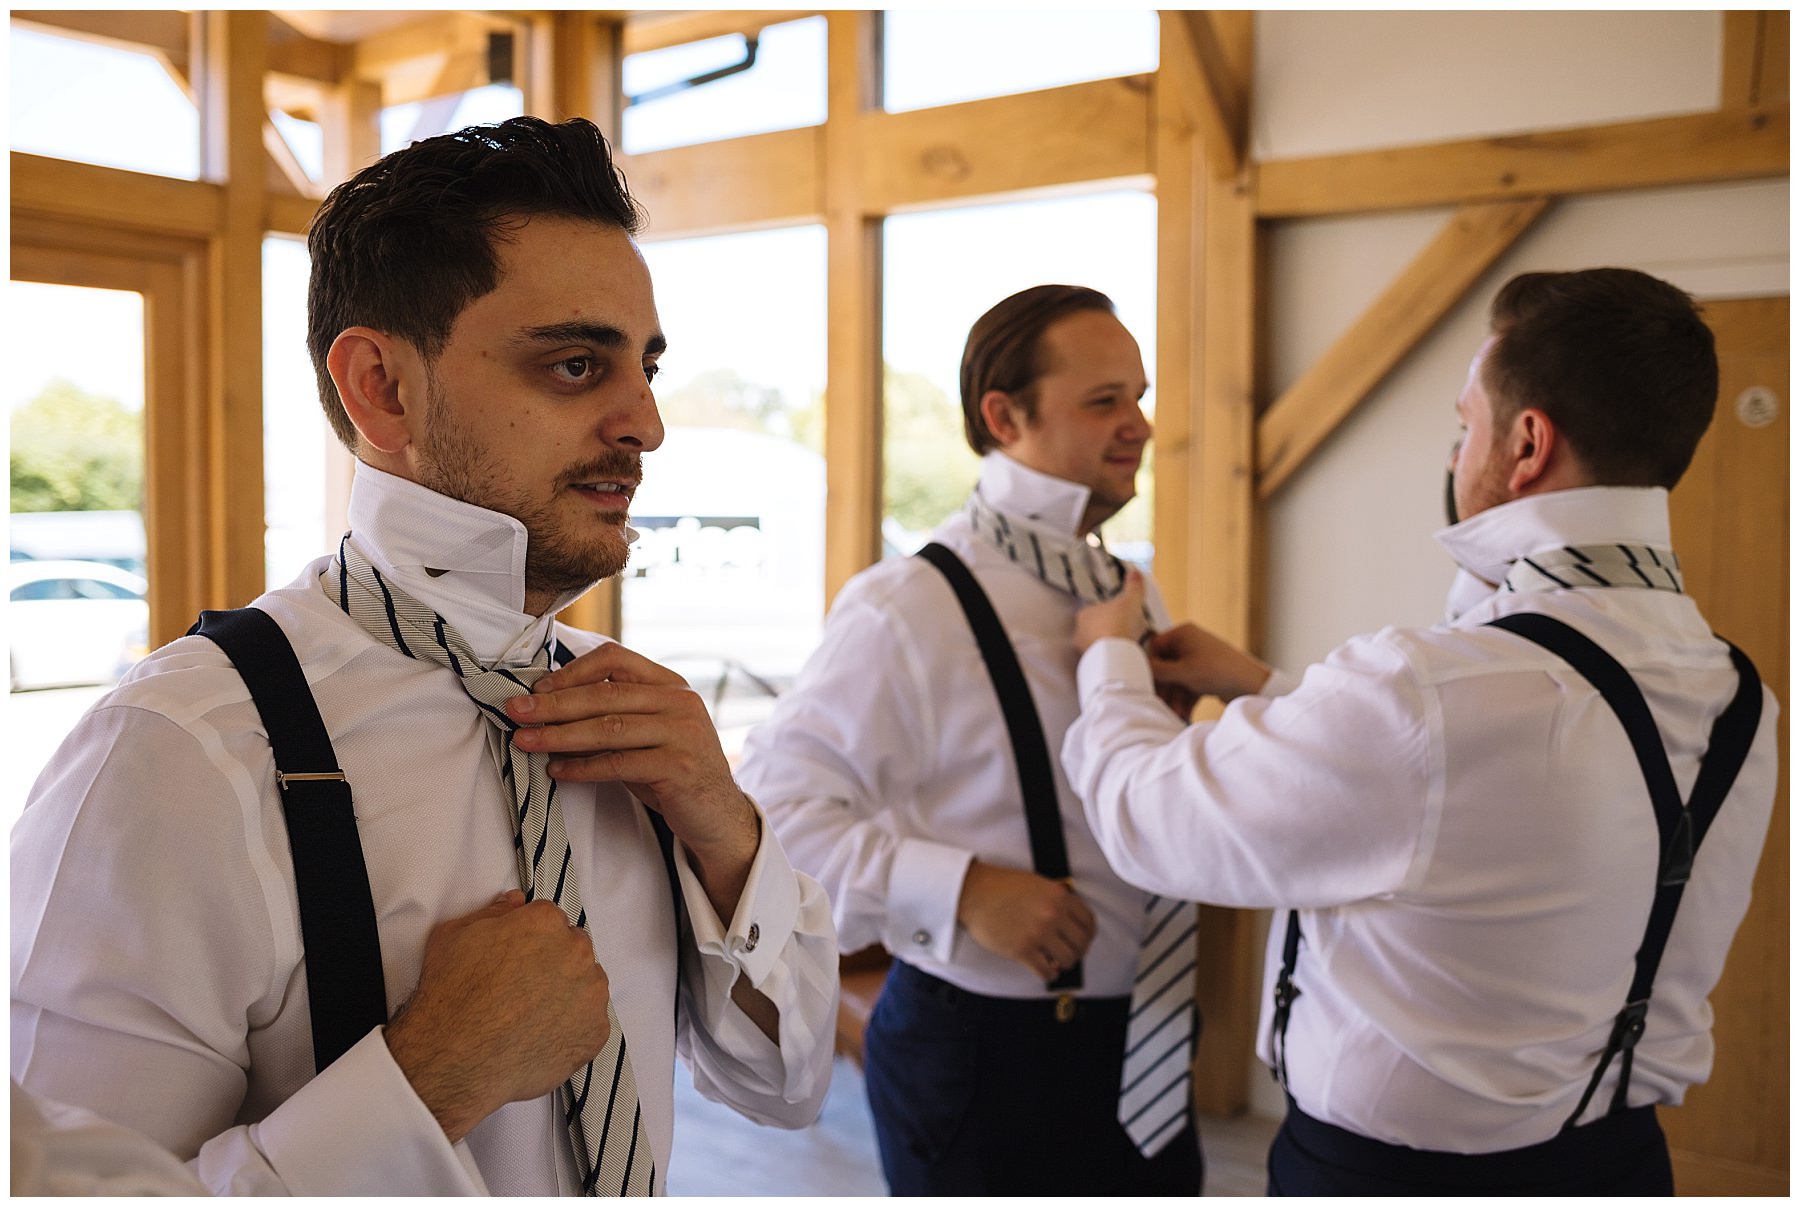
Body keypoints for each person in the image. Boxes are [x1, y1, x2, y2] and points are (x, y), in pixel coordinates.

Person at [11, 116, 837, 1196]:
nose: (645, 421)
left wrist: (728, 835)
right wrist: (424, 1084)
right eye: (577, 363)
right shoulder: (173, 757)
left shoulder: (636, 726)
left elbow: (788, 1084)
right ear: (380, 389)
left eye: (644, 367)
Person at [1065, 267, 1778, 1196]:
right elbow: (1476, 806)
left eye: (1463, 421)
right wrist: (1266, 690)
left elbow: (1153, 823)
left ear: (1527, 443)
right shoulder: (1741, 696)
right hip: (1617, 1164)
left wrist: (1106, 661)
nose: (1455, 449)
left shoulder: (1427, 689)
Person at [737, 285, 1204, 1195]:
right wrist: (961, 889)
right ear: (1005, 415)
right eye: (1105, 400)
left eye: (1139, 396)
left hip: (1145, 1043)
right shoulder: (908, 605)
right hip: (989, 1058)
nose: (1140, 425)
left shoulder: (1123, 588)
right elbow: (771, 814)